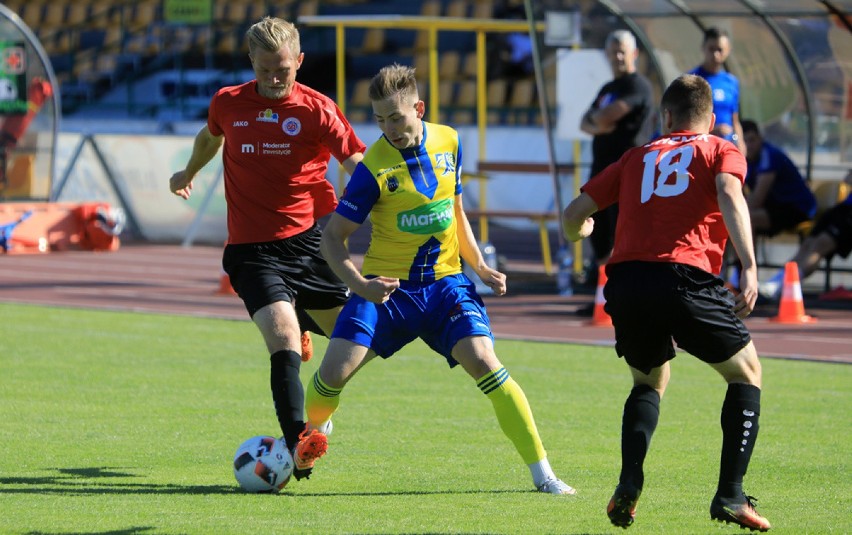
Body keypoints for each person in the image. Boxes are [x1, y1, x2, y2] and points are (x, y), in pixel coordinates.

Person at [294, 63, 575, 495]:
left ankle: (544, 475)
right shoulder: (372, 168)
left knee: (485, 360)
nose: (389, 128)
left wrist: (478, 266)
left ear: (418, 109)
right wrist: (360, 284)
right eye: (380, 119)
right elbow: (333, 237)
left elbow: (455, 209)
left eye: (397, 117)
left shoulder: (451, 140)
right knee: (334, 373)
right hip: (387, 289)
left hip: (445, 285)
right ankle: (315, 429)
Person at [562, 74, 772, 531]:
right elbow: (730, 193)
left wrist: (582, 231)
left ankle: (628, 484)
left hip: (626, 283)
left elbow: (573, 216)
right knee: (747, 372)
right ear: (711, 119)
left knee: (649, 382)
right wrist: (750, 266)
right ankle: (731, 496)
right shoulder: (720, 148)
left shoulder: (635, 156)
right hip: (685, 278)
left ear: (666, 117)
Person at [168, 16, 366, 479]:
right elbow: (209, 136)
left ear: (299, 61)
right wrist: (189, 172)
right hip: (252, 249)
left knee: (356, 343)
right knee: (280, 335)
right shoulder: (229, 102)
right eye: (265, 70)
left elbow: (356, 160)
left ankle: (312, 379)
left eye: (284, 70)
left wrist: (382, 192)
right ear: (250, 62)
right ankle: (300, 441)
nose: (275, 80)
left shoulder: (318, 109)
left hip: (311, 242)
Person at [579, 29, 654, 289]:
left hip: (626, 173)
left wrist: (598, 122)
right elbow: (585, 122)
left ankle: (619, 288)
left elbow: (601, 117)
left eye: (622, 51)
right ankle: (602, 290)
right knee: (597, 229)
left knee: (620, 231)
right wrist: (599, 123)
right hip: (602, 170)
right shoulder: (608, 88)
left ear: (634, 53)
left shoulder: (637, 85)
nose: (618, 57)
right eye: (613, 52)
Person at [760, 169, 852, 299]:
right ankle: (776, 283)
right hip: (842, 209)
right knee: (808, 244)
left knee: (820, 245)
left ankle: (783, 285)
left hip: (849, 216)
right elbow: (847, 179)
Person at [741, 119, 816, 236]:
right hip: (777, 206)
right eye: (744, 141)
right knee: (736, 217)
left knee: (744, 218)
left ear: (760, 138)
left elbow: (757, 199)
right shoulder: (744, 158)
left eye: (752, 140)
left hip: (798, 208)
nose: (749, 146)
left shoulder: (769, 156)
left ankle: (745, 255)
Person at [688, 27, 747, 154]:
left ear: (728, 50)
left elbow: (734, 119)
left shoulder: (731, 82)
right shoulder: (692, 79)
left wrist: (740, 142)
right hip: (701, 149)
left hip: (726, 148)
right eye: (711, 49)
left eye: (719, 50)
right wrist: (712, 130)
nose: (715, 54)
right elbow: (686, 121)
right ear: (703, 48)